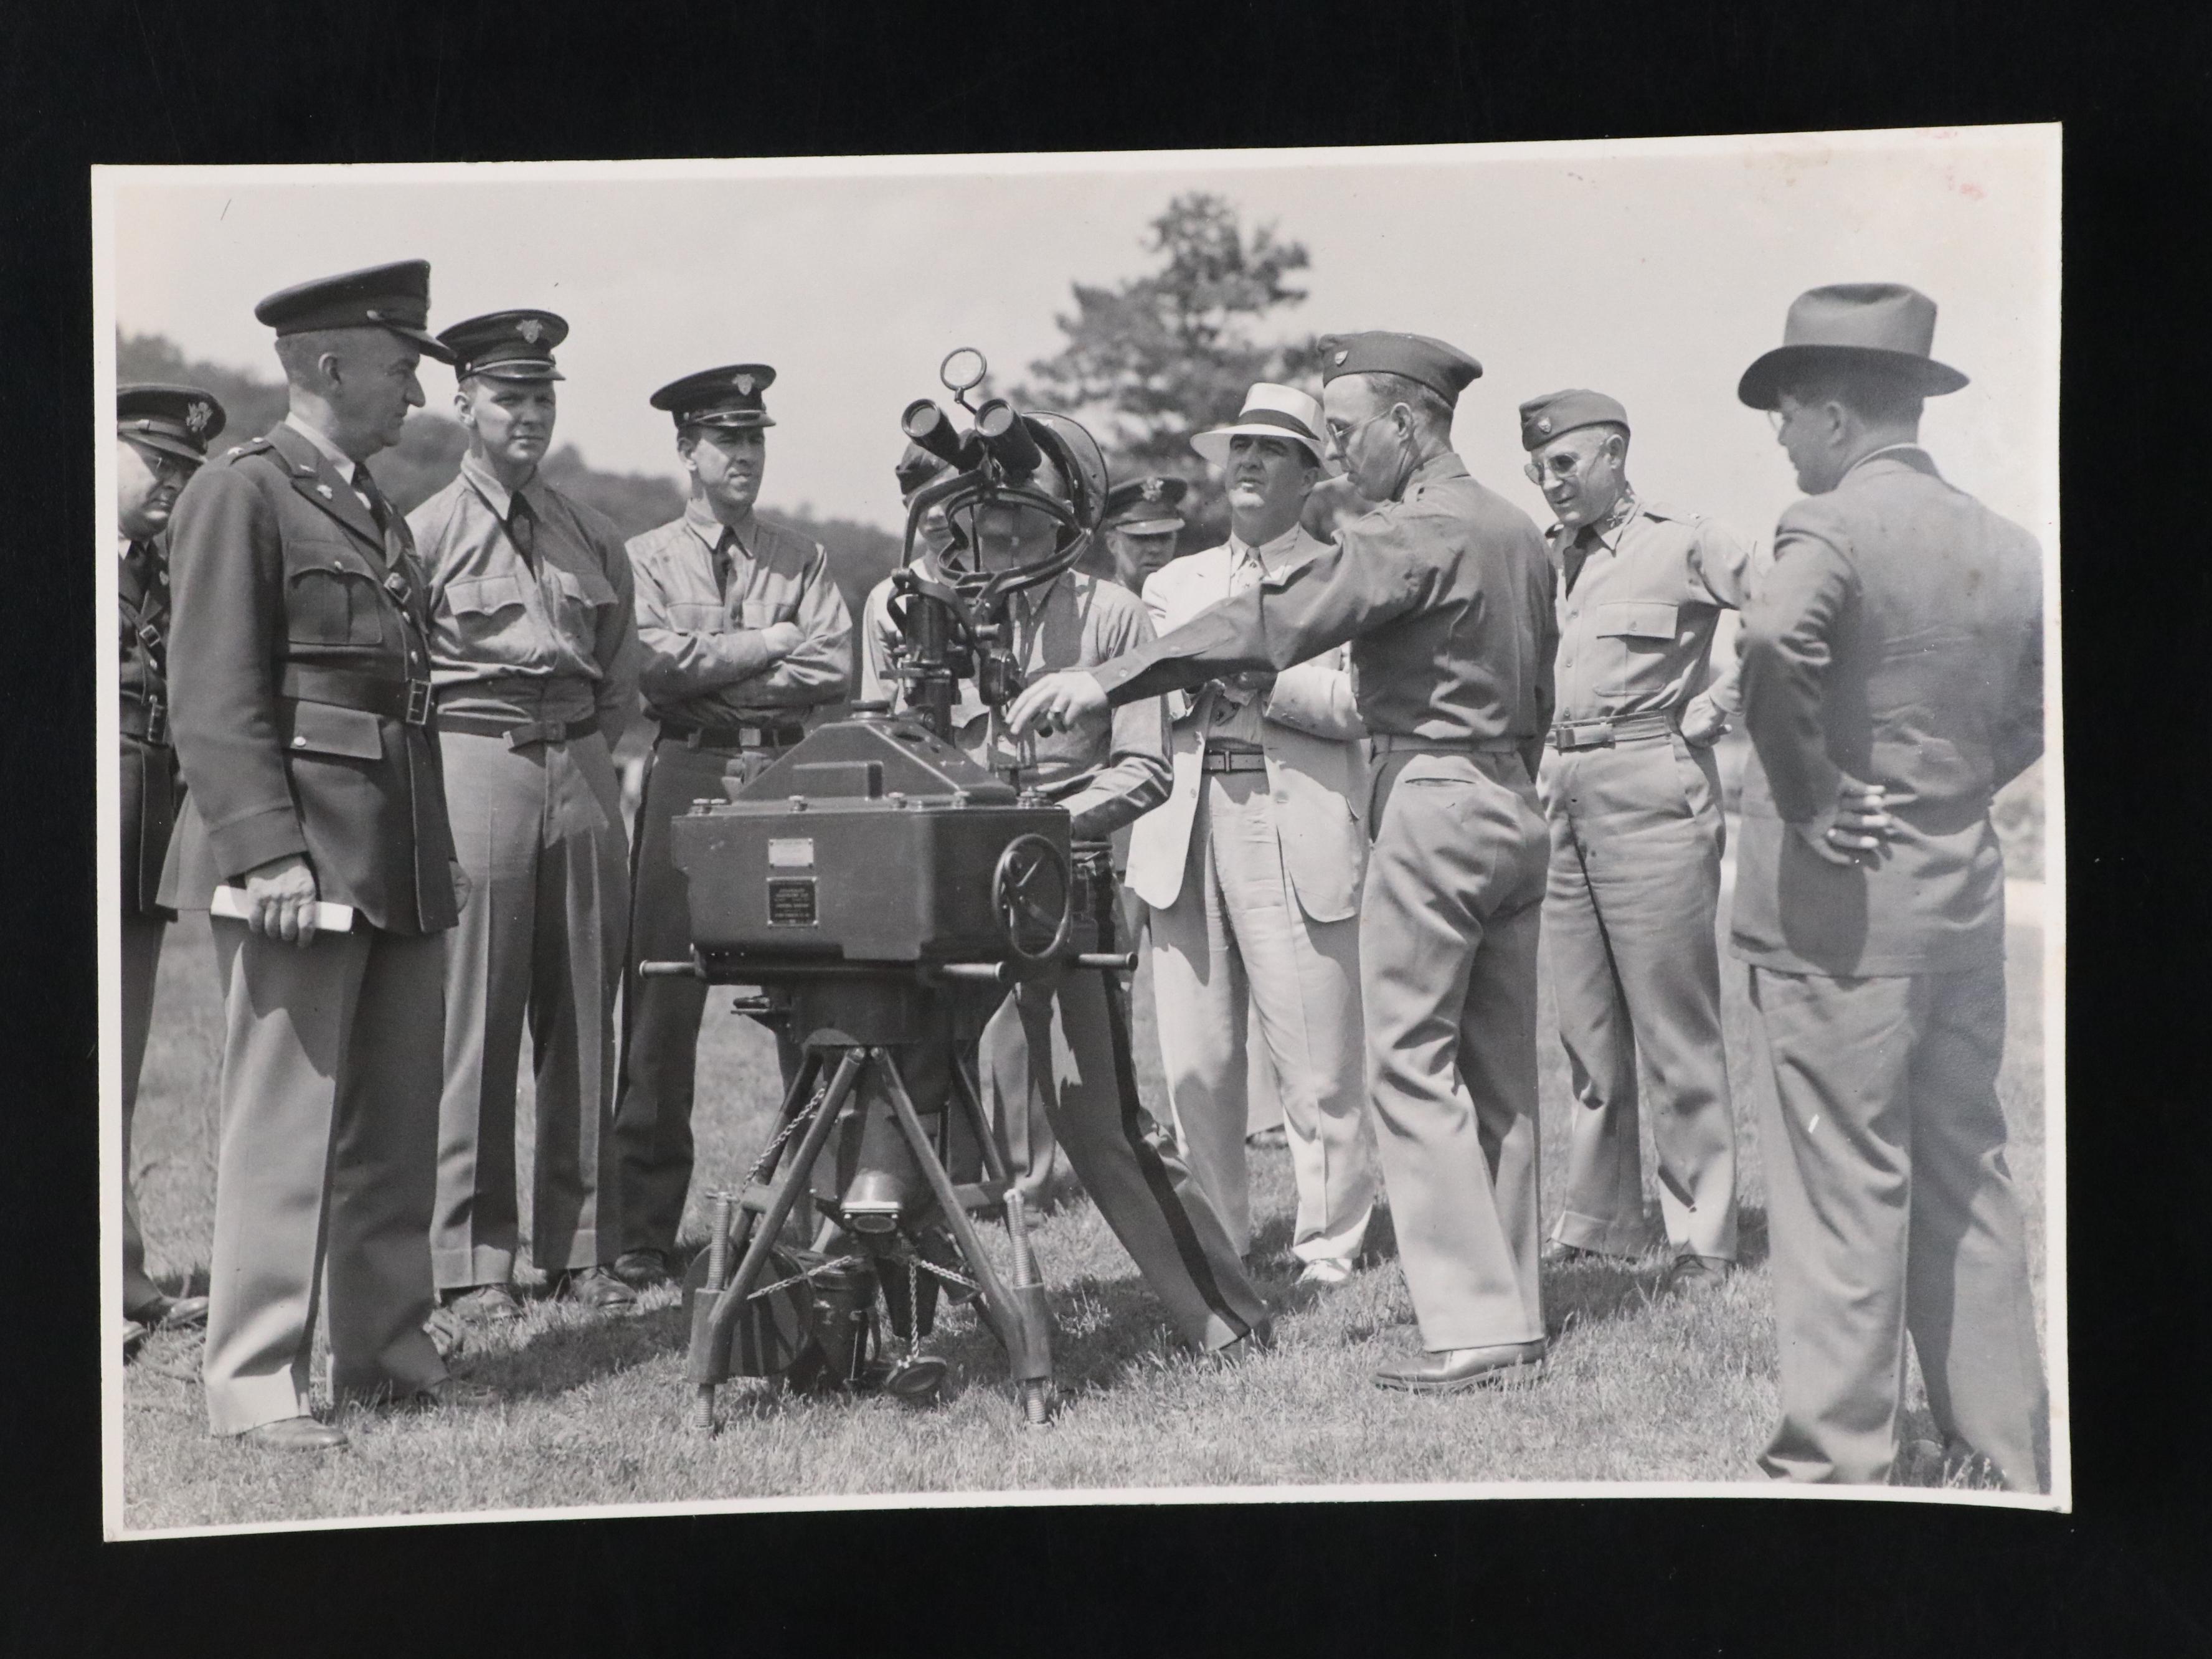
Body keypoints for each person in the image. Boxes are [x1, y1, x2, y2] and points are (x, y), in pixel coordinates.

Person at [1011, 331, 1557, 1392]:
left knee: (1408, 1063)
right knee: (1501, 1079)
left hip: (1431, 799)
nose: (1341, 452)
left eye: (1348, 430)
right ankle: (1516, 1304)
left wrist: (1106, 680)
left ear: (1409, 421)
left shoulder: (1412, 530)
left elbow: (1272, 622)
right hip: (1511, 798)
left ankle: (1471, 1321)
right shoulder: (1513, 527)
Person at [161, 260, 494, 1452]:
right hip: (301, 865)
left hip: (396, 858)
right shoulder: (241, 492)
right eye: (404, 362)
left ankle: (389, 1353)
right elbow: (212, 694)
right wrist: (269, 857)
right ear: (326, 363)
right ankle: (254, 1378)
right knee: (286, 1128)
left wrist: (430, 853)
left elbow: (397, 703)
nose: (418, 387)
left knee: (395, 1125)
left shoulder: (373, 506)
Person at [858, 413, 1269, 1356]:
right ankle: (936, 1334)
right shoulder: (905, 605)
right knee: (918, 1111)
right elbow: (876, 742)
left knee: (1101, 1121)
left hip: (1055, 887)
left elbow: (1148, 769)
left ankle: (1223, 1319)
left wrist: (1039, 827)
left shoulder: (1112, 615)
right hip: (934, 889)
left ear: (1068, 519)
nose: (1002, 545)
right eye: (986, 526)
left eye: (1024, 528)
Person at [1732, 282, 2047, 1490]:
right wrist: (1950, 790)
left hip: (1841, 915)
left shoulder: (1831, 529)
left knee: (1842, 1188)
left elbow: (1770, 644)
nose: (1778, 435)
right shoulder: (2007, 541)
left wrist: (1813, 796)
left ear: (1835, 416)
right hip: (1958, 899)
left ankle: (1834, 1464)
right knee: (1968, 1176)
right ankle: (2006, 1457)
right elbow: (2038, 708)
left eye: (1787, 411)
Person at [407, 310, 642, 1323]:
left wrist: (595, 754)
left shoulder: (591, 531)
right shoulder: (422, 532)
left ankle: (583, 1244)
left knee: (588, 1012)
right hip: (476, 757)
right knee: (476, 1016)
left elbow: (622, 672)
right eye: (508, 395)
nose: (529, 414)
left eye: (543, 396)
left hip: (580, 758)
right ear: (463, 403)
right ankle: (470, 1258)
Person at [1127, 382, 1378, 1285]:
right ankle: (1220, 1235)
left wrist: (1264, 683)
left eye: (1273, 450)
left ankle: (1328, 1241)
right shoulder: (1173, 584)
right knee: (1198, 1054)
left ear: (1312, 475)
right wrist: (1194, 681)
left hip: (1291, 818)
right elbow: (1143, 702)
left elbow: (1362, 706)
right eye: (1240, 446)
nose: (1248, 462)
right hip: (1184, 824)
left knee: (1315, 1048)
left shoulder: (1348, 573)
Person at [610, 364, 853, 1290]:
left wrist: (729, 667)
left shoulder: (805, 556)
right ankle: (640, 1227)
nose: (744, 456)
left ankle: (812, 1198)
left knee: (805, 988)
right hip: (688, 771)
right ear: (687, 453)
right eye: (726, 440)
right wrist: (766, 644)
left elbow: (831, 662)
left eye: (755, 439)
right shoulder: (644, 557)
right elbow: (653, 666)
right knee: (664, 997)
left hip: (784, 775)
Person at [1516, 389, 1749, 1288]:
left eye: (1565, 464)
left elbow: (1786, 603)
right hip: (1560, 789)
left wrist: (1721, 702)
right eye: (1537, 469)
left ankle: (1702, 1234)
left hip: (1654, 782)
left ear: (1615, 453)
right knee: (1585, 1025)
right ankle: (1601, 1217)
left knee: (1674, 1023)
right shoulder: (1542, 561)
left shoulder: (1682, 541)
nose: (1550, 482)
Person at [114, 383, 225, 1355]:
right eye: (154, 464)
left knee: (118, 1064)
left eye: (186, 473)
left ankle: (122, 1275)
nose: (170, 487)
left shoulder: (172, 571)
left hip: (141, 846)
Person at [1084, 474, 1187, 593]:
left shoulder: (1186, 608)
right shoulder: (1101, 609)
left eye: (1164, 537)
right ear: (1112, 543)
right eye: (1141, 538)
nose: (1155, 549)